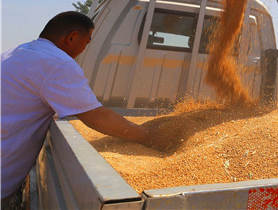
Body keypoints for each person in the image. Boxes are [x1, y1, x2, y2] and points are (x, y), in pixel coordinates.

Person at [1, 11, 162, 207]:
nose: (84, 49)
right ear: (72, 37)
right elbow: (95, 116)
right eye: (86, 43)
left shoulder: (14, 52)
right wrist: (149, 137)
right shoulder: (58, 63)